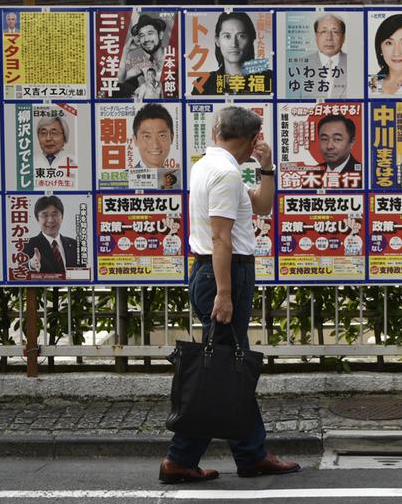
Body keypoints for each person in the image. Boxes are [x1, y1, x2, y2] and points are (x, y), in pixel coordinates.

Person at [160, 106, 300, 484]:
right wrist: (224, 293)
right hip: (225, 272)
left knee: (229, 366)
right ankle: (181, 457)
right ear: (253, 139)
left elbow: (263, 206)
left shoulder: (213, 165)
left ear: (218, 131)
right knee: (220, 370)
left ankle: (250, 453)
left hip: (218, 270)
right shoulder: (224, 172)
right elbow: (221, 238)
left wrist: (267, 167)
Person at [199, 12, 273, 95]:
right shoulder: (204, 84)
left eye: (241, 36)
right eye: (227, 36)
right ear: (217, 41)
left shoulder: (271, 79)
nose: (234, 44)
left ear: (251, 40)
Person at [22, 196, 83, 275]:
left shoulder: (76, 245)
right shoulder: (27, 245)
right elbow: (18, 270)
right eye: (45, 215)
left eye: (55, 214)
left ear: (62, 217)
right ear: (37, 219)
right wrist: (31, 265)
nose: (50, 220)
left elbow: (83, 274)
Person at [115, 14, 168, 98]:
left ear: (160, 35)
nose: (146, 39)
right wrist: (126, 50)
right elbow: (119, 80)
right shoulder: (144, 65)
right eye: (142, 35)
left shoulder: (173, 57)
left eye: (150, 33)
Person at [307, 14, 348, 98]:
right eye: (323, 31)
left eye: (335, 32)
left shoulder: (356, 64)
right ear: (316, 36)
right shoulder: (299, 65)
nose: (329, 37)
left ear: (343, 37)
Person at [317, 114, 361, 181]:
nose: (329, 146)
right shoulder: (313, 173)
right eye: (324, 139)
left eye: (337, 139)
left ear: (351, 142)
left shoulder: (364, 175)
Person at [133, 103, 174, 170]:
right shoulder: (124, 178)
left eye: (162, 136)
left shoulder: (178, 177)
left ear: (172, 137)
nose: (155, 145)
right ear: (135, 140)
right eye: (147, 136)